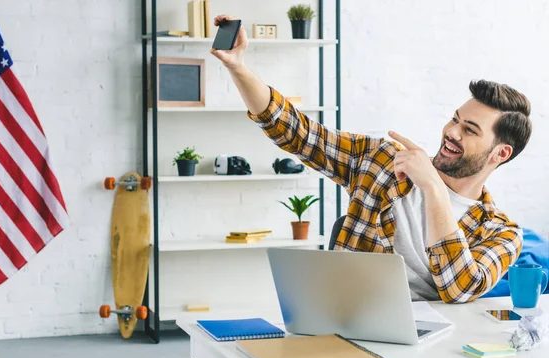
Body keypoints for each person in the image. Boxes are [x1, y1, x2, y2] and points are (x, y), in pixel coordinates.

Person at [210, 16, 532, 304]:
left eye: (469, 130)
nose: (451, 132)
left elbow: (459, 289)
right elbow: (296, 132)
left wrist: (433, 189)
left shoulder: (501, 232)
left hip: (433, 338)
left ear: (500, 153)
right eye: (454, 120)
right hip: (346, 315)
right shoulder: (383, 161)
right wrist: (237, 66)